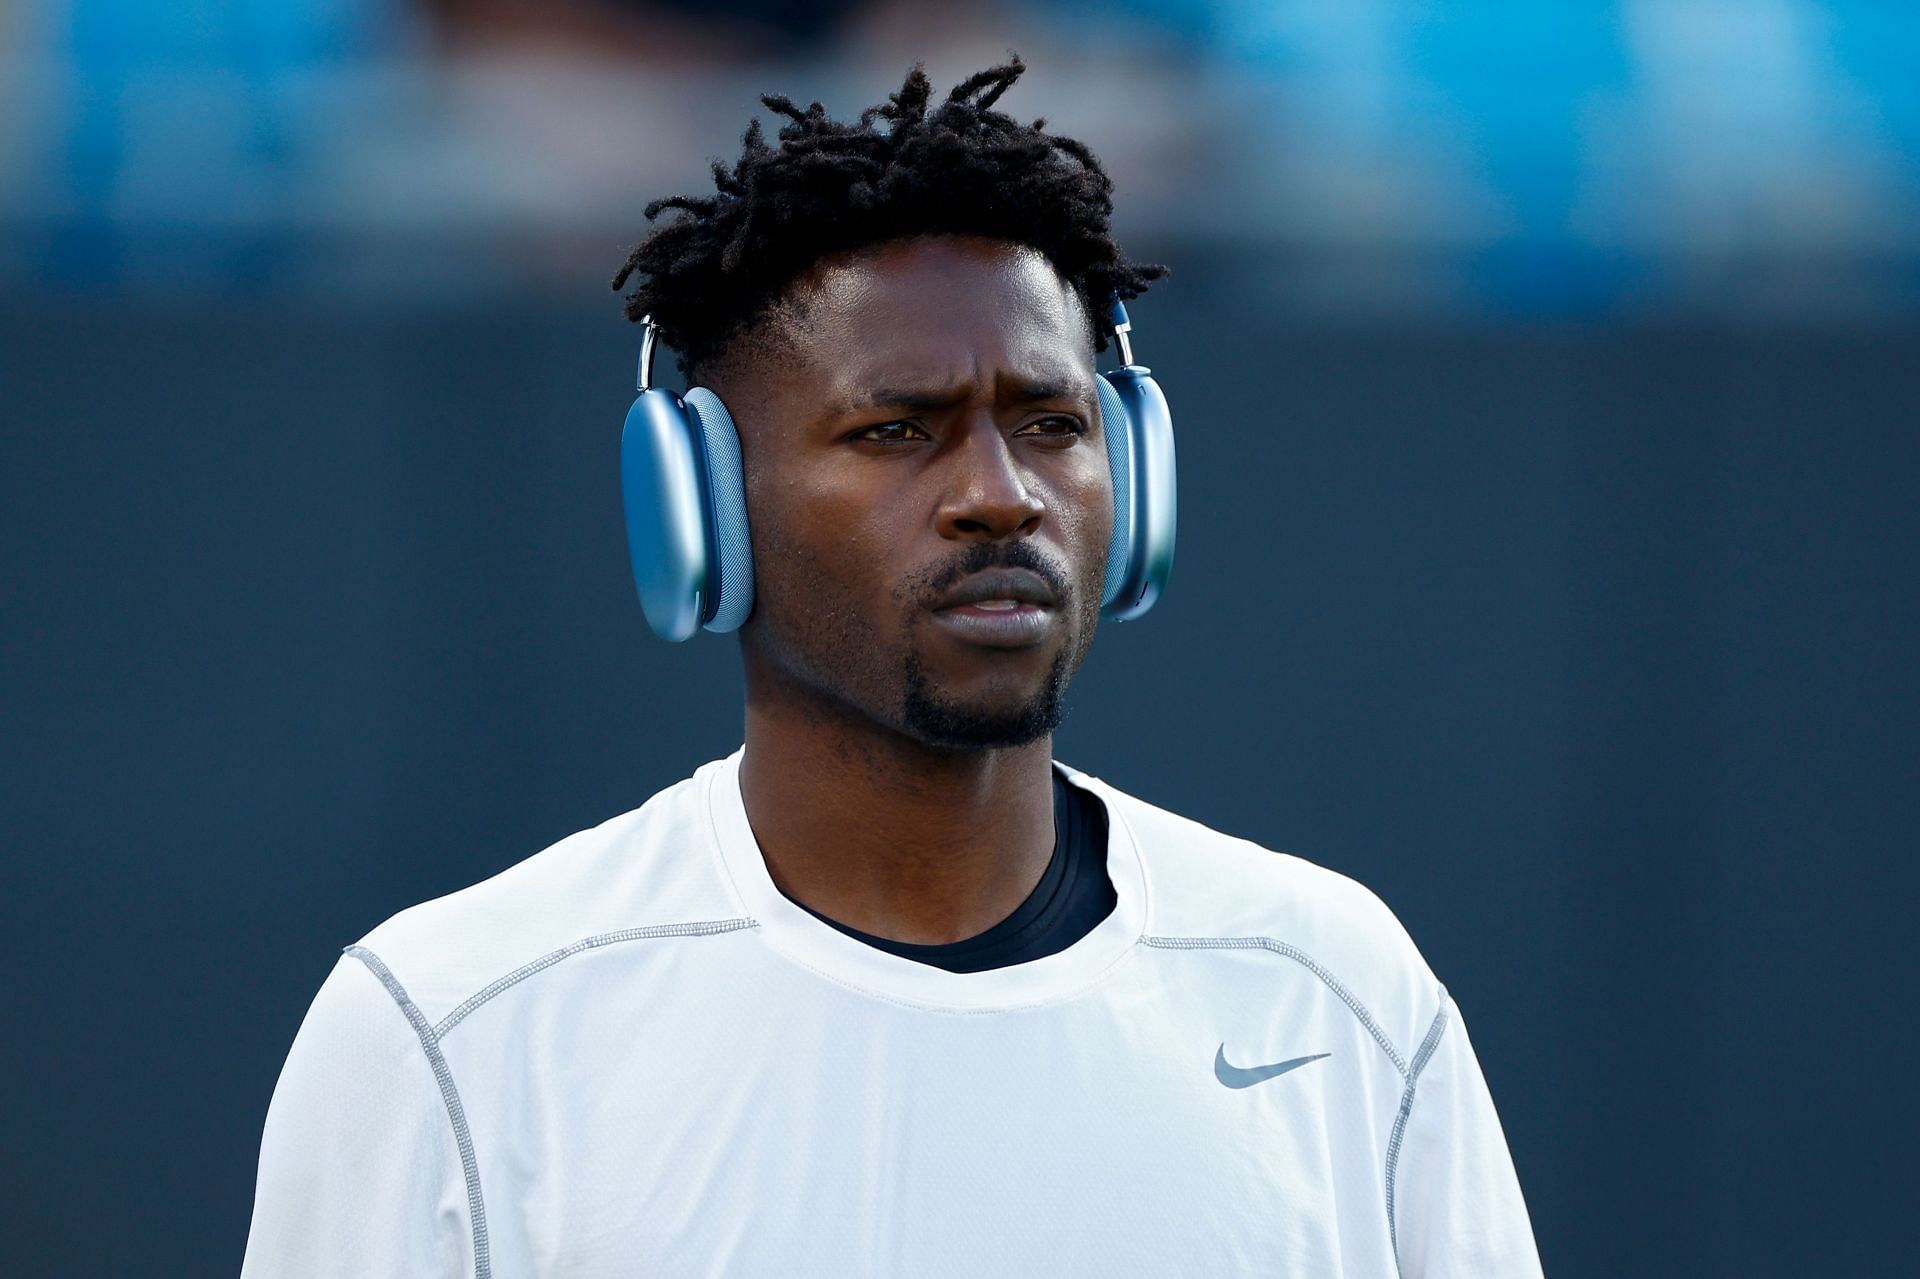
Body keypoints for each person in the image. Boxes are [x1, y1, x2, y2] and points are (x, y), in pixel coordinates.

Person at [242, 58, 1542, 1277]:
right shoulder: (456, 1030)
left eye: (1050, 424)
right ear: (701, 507)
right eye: (897, 429)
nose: (999, 496)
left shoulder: (1343, 998)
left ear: (1135, 481)